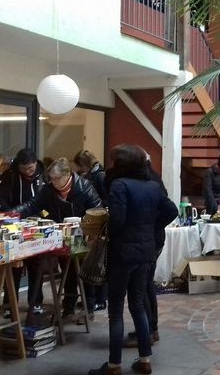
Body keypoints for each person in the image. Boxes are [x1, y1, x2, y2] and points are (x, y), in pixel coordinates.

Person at [89, 144, 177, 375]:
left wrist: (108, 229)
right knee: (138, 304)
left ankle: (114, 365)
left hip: (123, 254)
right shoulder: (152, 186)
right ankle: (145, 360)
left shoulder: (119, 185)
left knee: (116, 309)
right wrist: (150, 228)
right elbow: (171, 211)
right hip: (146, 252)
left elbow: (117, 221)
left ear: (122, 164)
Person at [11, 157, 102, 321]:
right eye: (51, 179)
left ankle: (88, 309)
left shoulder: (85, 187)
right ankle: (68, 308)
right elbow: (33, 204)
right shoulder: (49, 189)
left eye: (57, 178)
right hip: (62, 237)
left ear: (68, 175)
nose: (53, 182)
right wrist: (13, 214)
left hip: (84, 237)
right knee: (68, 273)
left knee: (84, 273)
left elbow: (97, 210)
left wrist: (87, 228)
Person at [0, 148, 46, 318]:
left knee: (36, 265)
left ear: (36, 164)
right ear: (19, 167)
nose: (29, 172)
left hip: (36, 225)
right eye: (25, 169)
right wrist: (10, 215)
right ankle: (10, 304)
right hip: (13, 224)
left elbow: (46, 198)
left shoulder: (42, 176)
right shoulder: (10, 176)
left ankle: (36, 302)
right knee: (14, 266)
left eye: (31, 168)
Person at [123, 157, 168, 348]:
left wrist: (152, 226)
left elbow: (169, 210)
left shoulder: (146, 183)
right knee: (146, 285)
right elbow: (169, 209)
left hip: (147, 240)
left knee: (140, 289)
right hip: (153, 239)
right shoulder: (154, 180)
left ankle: (147, 332)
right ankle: (152, 329)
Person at [74, 150, 108, 312]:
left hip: (98, 222)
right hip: (93, 220)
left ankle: (99, 300)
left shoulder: (99, 176)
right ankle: (93, 299)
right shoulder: (92, 175)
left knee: (96, 263)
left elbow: (105, 198)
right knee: (94, 263)